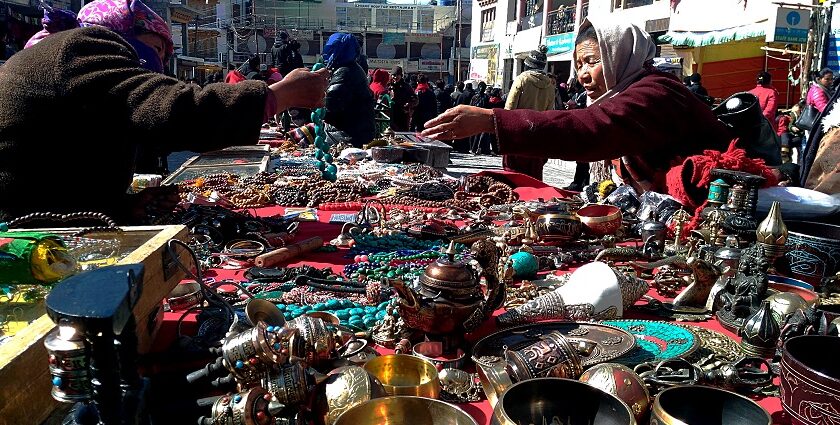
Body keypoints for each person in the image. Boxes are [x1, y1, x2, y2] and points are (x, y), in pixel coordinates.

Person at [0, 0, 328, 224]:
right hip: (26, 237)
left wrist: (124, 205)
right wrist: (277, 96)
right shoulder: (83, 47)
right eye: (155, 48)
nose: (158, 61)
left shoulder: (64, 62)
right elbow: (174, 112)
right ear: (120, 33)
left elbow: (66, 162)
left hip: (46, 221)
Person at [421, 17, 733, 195]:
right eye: (578, 64)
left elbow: (593, 127)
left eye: (592, 62)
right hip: (531, 137)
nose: (582, 74)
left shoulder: (657, 92)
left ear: (620, 56)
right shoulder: (624, 92)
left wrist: (492, 119)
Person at [502, 45, 555, 180]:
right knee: (534, 175)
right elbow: (550, 112)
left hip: (518, 132)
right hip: (537, 135)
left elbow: (509, 107)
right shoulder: (549, 84)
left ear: (527, 65)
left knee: (513, 174)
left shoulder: (522, 79)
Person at [322, 32, 376, 148]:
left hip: (348, 136)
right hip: (356, 133)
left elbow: (331, 106)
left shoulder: (344, 72)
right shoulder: (351, 69)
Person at [388, 66, 416, 131]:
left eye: (398, 75)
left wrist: (409, 104)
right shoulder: (389, 86)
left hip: (402, 115)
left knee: (402, 135)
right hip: (391, 115)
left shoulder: (406, 87)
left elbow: (415, 99)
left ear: (401, 75)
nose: (395, 77)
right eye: (394, 75)